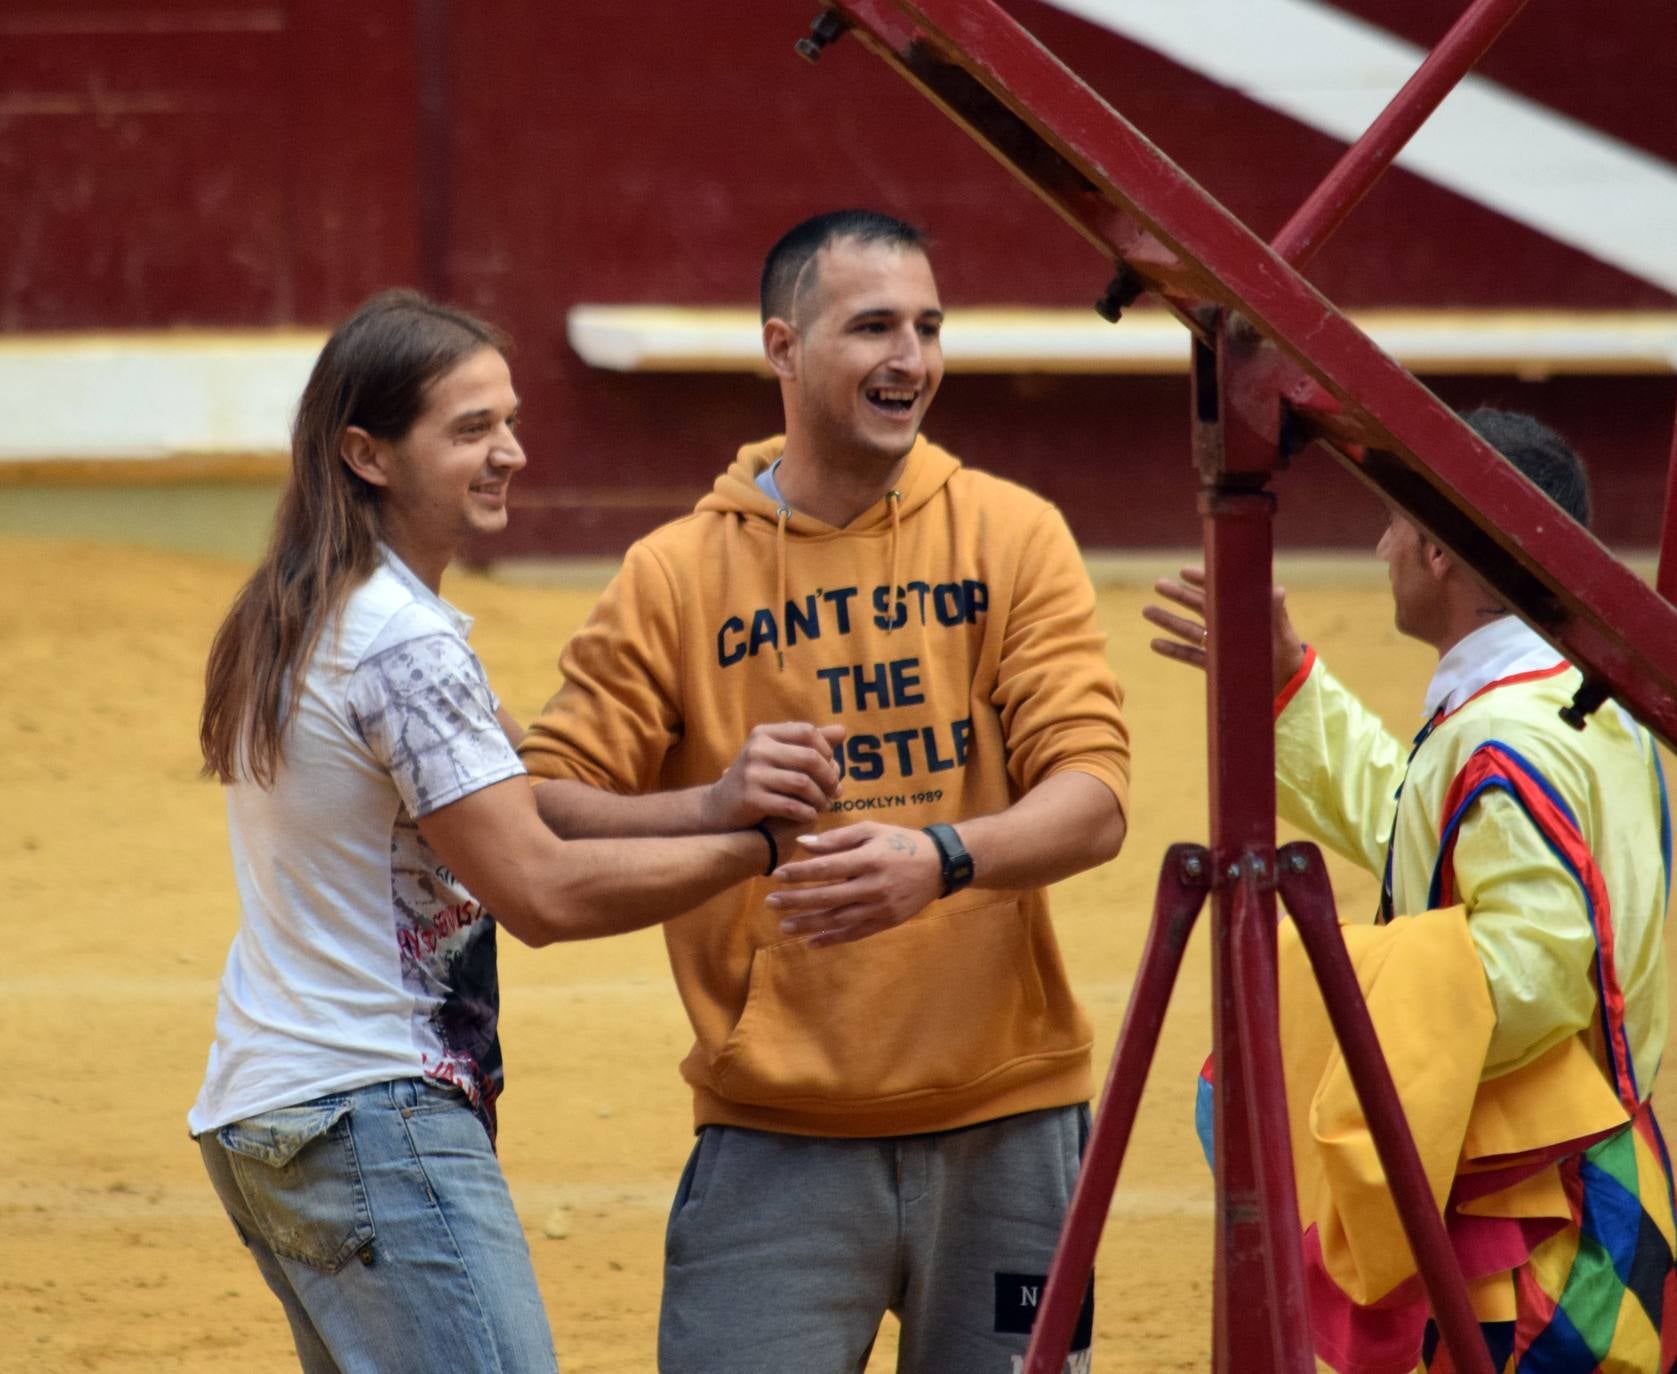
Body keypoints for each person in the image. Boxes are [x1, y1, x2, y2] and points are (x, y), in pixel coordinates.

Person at [517, 209, 1131, 1372]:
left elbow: (1094, 797)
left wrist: (941, 858)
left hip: (1011, 1127)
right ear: (781, 347)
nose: (911, 359)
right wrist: (710, 803)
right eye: (872, 328)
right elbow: (548, 799)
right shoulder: (677, 573)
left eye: (928, 327)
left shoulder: (1014, 536)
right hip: (776, 1136)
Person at [190, 289, 816, 1374]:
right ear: (368, 455)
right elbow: (542, 891)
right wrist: (757, 852)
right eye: (470, 429)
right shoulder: (403, 647)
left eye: (510, 421)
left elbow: (520, 790)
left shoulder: (313, 608)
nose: (510, 453)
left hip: (276, 1111)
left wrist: (714, 804)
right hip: (375, 1111)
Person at [1145, 409, 1674, 1372]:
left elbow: (1531, 971)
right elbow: (1416, 836)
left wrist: (1338, 999)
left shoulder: (1507, 736)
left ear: (1436, 549)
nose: (1378, 543)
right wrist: (1289, 686)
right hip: (1582, 1176)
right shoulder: (1562, 700)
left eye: (1392, 523)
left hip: (1534, 1212)